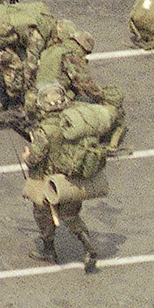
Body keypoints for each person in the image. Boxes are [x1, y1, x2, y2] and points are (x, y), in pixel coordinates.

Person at [21, 80, 113, 271]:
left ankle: (48, 250)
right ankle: (89, 246)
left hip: (50, 181)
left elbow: (36, 158)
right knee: (71, 216)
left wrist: (27, 155)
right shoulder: (73, 122)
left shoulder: (44, 130)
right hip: (72, 179)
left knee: (41, 213)